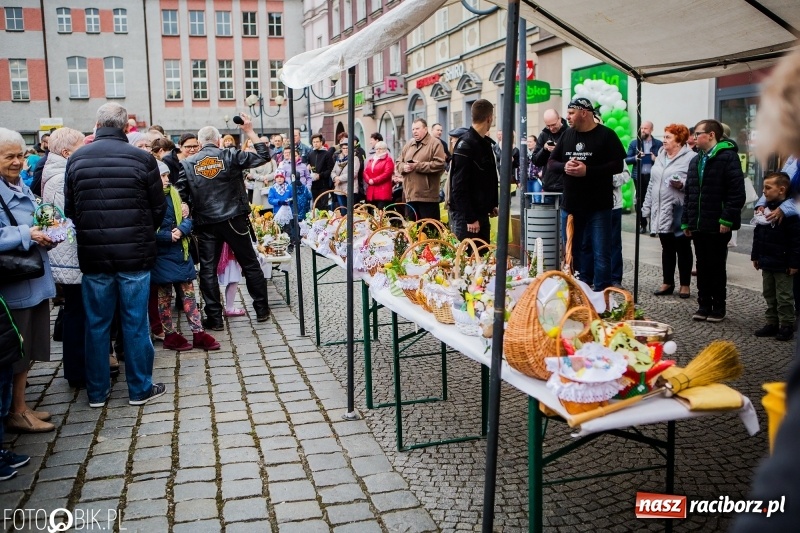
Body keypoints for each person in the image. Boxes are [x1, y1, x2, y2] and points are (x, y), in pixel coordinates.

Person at [732, 49, 800, 533]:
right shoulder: (770, 207)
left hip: (787, 260)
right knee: (772, 297)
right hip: (771, 258)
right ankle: (777, 322)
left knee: (784, 298)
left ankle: (783, 323)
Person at [65, 103, 168, 408]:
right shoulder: (142, 158)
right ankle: (139, 389)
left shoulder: (76, 159)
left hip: (94, 254)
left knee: (97, 324)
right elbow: (158, 207)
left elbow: (71, 210)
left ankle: (97, 392)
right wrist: (143, 230)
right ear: (126, 128)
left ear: (97, 125)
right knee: (135, 322)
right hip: (134, 254)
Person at [175, 115, 272, 330]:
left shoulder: (188, 163)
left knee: (208, 269)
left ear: (199, 144)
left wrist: (186, 206)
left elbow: (180, 193)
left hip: (206, 222)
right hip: (234, 219)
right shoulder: (230, 155)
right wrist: (249, 131)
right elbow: (264, 155)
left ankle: (215, 318)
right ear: (218, 141)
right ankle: (261, 310)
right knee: (250, 263)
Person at [0, 128, 56, 432]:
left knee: (29, 347)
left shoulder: (19, 184)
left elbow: (37, 219)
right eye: (9, 156)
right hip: (15, 284)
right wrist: (28, 234)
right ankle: (15, 410)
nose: (18, 162)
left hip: (32, 278)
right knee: (16, 351)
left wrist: (50, 231)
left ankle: (19, 405)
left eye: (20, 155)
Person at [548, 98, 626, 291]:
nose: (567, 116)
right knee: (572, 252)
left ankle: (601, 295)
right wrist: (564, 166)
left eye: (571, 112)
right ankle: (576, 291)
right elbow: (551, 162)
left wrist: (588, 171)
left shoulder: (607, 135)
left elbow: (617, 165)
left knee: (601, 253)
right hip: (572, 205)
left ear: (584, 113)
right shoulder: (567, 135)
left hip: (599, 206)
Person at [42, 127, 96, 388]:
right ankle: (77, 371)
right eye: (79, 146)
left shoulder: (58, 172)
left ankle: (80, 367)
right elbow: (58, 221)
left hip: (71, 254)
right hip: (71, 256)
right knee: (77, 313)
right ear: (66, 152)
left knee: (79, 311)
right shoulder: (59, 177)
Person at [681, 119, 745, 322]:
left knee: (716, 266)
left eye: (698, 134)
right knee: (702, 266)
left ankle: (718, 307)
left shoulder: (728, 158)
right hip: (699, 224)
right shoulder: (695, 160)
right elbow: (689, 194)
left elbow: (737, 193)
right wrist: (686, 221)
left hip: (717, 224)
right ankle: (703, 305)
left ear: (711, 135)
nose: (694, 138)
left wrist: (726, 219)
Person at [152, 161, 220, 351]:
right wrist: (167, 236)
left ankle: (198, 332)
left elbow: (187, 219)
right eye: (162, 177)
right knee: (164, 296)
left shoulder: (175, 195)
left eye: (167, 176)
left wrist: (181, 230)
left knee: (189, 294)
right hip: (162, 254)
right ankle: (170, 334)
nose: (167, 180)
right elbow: (144, 230)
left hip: (181, 252)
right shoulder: (147, 200)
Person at [643, 124, 695, 298]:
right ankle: (667, 282)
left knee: (682, 247)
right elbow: (652, 183)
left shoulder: (690, 158)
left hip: (678, 209)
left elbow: (695, 184)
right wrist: (647, 206)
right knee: (666, 247)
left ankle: (685, 285)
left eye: (668, 137)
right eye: (664, 137)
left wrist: (682, 184)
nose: (663, 140)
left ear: (679, 141)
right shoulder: (660, 156)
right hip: (660, 209)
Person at [751, 171, 800, 342]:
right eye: (764, 187)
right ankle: (772, 322)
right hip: (767, 260)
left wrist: (794, 263)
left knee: (785, 296)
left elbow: (796, 241)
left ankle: (787, 324)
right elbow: (758, 235)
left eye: (768, 188)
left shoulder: (789, 213)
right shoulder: (764, 210)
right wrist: (755, 256)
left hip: (783, 262)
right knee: (769, 293)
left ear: (781, 189)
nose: (764, 191)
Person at [448, 99, 499, 243]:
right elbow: (458, 186)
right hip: (468, 219)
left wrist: (491, 205)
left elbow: (484, 179)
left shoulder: (483, 143)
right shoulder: (466, 144)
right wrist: (470, 218)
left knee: (482, 261)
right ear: (489, 118)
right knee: (467, 261)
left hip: (480, 214)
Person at [397, 118, 446, 221]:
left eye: (417, 128)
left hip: (427, 196)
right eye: (413, 129)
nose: (415, 131)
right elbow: (398, 162)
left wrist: (418, 166)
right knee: (413, 230)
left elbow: (440, 164)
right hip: (410, 194)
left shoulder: (435, 143)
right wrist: (403, 167)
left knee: (428, 230)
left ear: (425, 129)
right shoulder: (409, 144)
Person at [625, 121, 663, 234]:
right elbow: (627, 159)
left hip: (653, 176)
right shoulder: (634, 143)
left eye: (645, 128)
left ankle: (653, 225)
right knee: (640, 201)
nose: (643, 130)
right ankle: (643, 224)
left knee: (654, 200)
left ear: (651, 130)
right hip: (639, 176)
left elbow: (664, 160)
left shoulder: (658, 144)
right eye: (641, 128)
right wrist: (636, 158)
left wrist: (655, 158)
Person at [533, 109, 569, 203]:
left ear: (559, 119)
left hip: (566, 186)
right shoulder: (544, 134)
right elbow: (536, 161)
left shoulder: (570, 133)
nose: (551, 128)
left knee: (566, 217)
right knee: (549, 217)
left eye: (553, 125)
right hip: (549, 186)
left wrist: (558, 150)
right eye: (548, 126)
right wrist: (544, 150)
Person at [331, 139, 360, 213]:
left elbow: (353, 173)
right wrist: (335, 177)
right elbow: (333, 171)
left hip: (350, 189)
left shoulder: (355, 158)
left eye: (347, 148)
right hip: (339, 189)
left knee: (350, 212)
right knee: (343, 211)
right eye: (344, 148)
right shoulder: (339, 159)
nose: (345, 150)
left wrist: (339, 178)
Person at [364, 141, 395, 211]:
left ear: (385, 149)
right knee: (371, 212)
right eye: (377, 149)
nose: (378, 150)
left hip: (383, 190)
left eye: (380, 149)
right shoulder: (371, 159)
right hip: (371, 190)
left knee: (380, 213)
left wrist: (374, 180)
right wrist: (368, 180)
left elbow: (386, 174)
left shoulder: (388, 160)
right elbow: (365, 171)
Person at [307, 134, 334, 209]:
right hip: (313, 184)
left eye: (317, 142)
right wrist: (308, 167)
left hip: (323, 184)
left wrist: (320, 175)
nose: (315, 143)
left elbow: (330, 169)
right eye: (314, 142)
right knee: (316, 205)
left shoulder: (327, 154)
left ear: (321, 142)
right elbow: (308, 165)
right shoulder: (310, 154)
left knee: (324, 205)